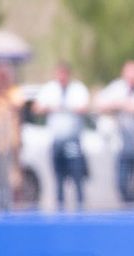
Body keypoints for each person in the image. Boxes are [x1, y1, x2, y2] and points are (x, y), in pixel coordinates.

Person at [33, 62, 90, 211]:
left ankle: (80, 209)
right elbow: (36, 108)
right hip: (57, 142)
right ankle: (60, 209)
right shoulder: (49, 89)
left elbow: (85, 107)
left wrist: (69, 107)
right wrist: (50, 107)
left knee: (77, 176)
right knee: (58, 178)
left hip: (72, 141)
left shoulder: (77, 89)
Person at [96, 60, 134, 203]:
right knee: (122, 184)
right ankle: (129, 210)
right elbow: (99, 103)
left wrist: (121, 104)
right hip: (123, 147)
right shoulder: (117, 87)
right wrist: (119, 104)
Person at [0, 62, 22, 212]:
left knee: (7, 180)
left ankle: (7, 210)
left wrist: (3, 91)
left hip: (8, 144)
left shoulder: (13, 92)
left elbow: (17, 105)